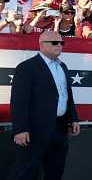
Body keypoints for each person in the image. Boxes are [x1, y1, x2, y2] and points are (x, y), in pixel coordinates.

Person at [8, 31, 80, 180]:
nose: (59, 45)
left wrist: (73, 119)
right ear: (41, 45)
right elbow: (18, 100)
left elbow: (67, 96)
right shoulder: (26, 67)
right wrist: (20, 129)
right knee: (25, 172)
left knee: (55, 171)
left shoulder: (63, 67)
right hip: (34, 130)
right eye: (55, 42)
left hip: (60, 128)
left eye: (61, 43)